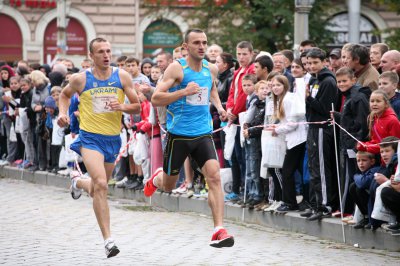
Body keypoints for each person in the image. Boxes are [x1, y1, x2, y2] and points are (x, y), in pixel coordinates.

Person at [146, 29, 234, 248]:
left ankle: (219, 230)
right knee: (168, 185)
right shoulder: (177, 68)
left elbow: (211, 88)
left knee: (214, 177)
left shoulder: (211, 68)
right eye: (196, 43)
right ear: (186, 47)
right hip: (179, 135)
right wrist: (183, 92)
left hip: (203, 133)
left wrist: (220, 107)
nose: (202, 46)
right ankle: (157, 177)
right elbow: (156, 98)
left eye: (204, 42)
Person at [57, 37, 141, 258]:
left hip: (112, 139)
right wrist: (62, 113)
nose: (106, 55)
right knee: (102, 184)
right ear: (91, 56)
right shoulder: (80, 79)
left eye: (108, 51)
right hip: (89, 138)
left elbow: (137, 106)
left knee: (96, 188)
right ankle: (108, 240)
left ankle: (78, 182)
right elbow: (64, 96)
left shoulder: (121, 76)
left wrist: (122, 105)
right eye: (101, 52)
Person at [303, 48, 339, 221]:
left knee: (322, 169)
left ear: (324, 62)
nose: (311, 66)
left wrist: (308, 98)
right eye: (308, 63)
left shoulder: (328, 81)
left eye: (315, 62)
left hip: (322, 128)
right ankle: (315, 203)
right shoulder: (313, 79)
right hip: (312, 126)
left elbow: (325, 109)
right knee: (313, 167)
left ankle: (325, 205)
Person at [330, 67, 370, 216]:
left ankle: (347, 209)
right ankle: (349, 209)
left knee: (350, 176)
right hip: (347, 143)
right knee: (348, 175)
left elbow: (361, 124)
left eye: (344, 81)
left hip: (354, 145)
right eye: (339, 81)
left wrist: (356, 144)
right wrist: (339, 116)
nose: (341, 84)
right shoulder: (348, 96)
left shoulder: (357, 97)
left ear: (353, 80)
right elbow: (349, 120)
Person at [349, 151, 379, 229]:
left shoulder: (375, 169)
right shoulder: (363, 173)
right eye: (358, 161)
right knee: (353, 187)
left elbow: (363, 183)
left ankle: (371, 218)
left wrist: (355, 176)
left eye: (364, 160)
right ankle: (366, 216)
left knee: (358, 188)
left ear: (372, 161)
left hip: (375, 205)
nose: (361, 163)